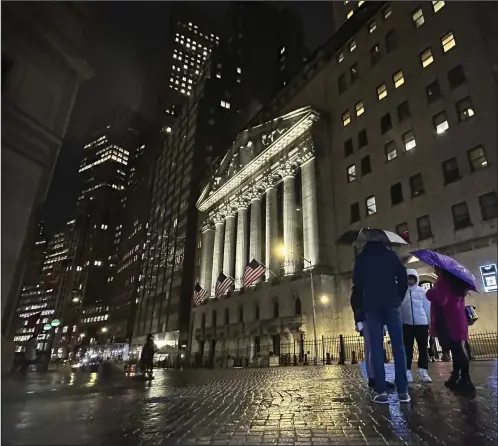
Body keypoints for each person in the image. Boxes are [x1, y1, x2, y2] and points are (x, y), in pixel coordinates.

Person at [353, 240, 409, 404]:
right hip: (391, 303)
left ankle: (381, 390)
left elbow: (357, 284)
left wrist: (360, 310)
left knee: (376, 347)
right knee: (398, 346)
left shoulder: (362, 258)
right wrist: (398, 297)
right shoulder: (391, 255)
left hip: (371, 305)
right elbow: (403, 276)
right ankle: (403, 391)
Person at [426, 267, 475, 395]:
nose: (435, 271)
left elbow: (442, 299)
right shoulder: (456, 281)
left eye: (436, 269)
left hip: (448, 319)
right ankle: (457, 378)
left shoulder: (443, 281)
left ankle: (465, 379)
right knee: (458, 348)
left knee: (458, 350)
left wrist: (429, 292)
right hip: (458, 318)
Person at [350, 286, 395, 390]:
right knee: (372, 348)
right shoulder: (360, 288)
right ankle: (375, 378)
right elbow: (356, 305)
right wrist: (358, 320)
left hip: (376, 318)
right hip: (367, 318)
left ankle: (375, 377)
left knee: (374, 347)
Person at [400, 269, 432, 383]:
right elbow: (400, 309)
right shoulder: (402, 292)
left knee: (423, 348)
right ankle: (407, 371)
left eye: (412, 278)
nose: (410, 280)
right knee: (407, 349)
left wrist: (430, 322)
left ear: (416, 279)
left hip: (421, 323)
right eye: (408, 278)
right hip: (407, 324)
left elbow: (428, 307)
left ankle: (423, 371)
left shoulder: (422, 291)